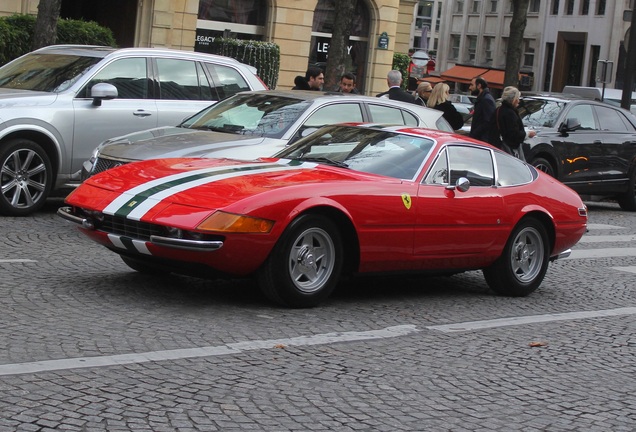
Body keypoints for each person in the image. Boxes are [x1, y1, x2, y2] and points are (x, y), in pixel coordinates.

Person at [492, 86, 536, 160]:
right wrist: (528, 134)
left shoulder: (498, 110)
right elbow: (514, 134)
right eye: (517, 98)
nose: (518, 101)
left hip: (497, 146)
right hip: (509, 148)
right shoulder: (510, 114)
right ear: (513, 100)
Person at [468, 76, 496, 141]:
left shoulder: (486, 100)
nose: (470, 88)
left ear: (479, 86)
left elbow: (488, 122)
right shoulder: (483, 99)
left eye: (472, 85)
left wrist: (474, 134)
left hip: (482, 139)